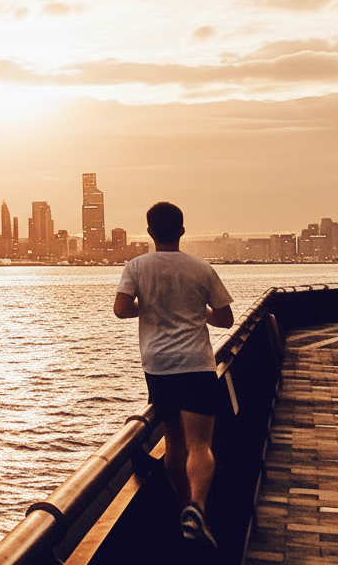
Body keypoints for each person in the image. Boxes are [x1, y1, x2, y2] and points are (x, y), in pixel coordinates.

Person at [114, 201, 233, 549]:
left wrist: (147, 306)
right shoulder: (202, 269)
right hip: (196, 363)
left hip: (159, 366)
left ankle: (185, 508)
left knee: (175, 443)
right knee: (200, 444)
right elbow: (224, 318)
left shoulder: (136, 266)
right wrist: (199, 314)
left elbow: (121, 309)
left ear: (150, 232)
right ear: (182, 230)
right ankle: (197, 506)